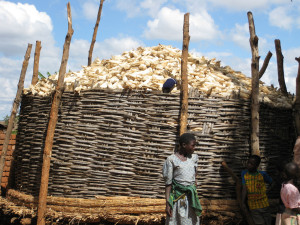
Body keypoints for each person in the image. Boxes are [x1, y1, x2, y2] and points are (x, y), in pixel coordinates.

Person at [162, 133, 202, 225]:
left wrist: (194, 184)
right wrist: (168, 203)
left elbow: (195, 174)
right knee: (176, 221)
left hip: (191, 199)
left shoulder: (194, 158)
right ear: (184, 145)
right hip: (177, 199)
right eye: (193, 145)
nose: (194, 147)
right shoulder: (171, 160)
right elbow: (168, 184)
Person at [241, 155, 273, 225]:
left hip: (264, 204)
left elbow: (272, 182)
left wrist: (267, 191)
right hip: (253, 205)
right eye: (248, 162)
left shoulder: (262, 175)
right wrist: (243, 202)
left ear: (257, 165)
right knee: (260, 223)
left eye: (251, 164)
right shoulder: (244, 174)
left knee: (268, 222)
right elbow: (244, 188)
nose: (248, 165)